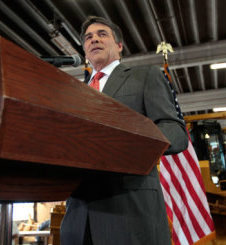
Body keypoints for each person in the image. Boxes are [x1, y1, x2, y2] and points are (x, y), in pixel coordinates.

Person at [59, 16, 189, 245]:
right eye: (88, 37)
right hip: (78, 217)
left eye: (102, 34)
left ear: (119, 46)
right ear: (84, 50)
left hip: (128, 211)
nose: (94, 40)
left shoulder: (145, 76)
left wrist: (125, 143)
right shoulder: (74, 93)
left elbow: (175, 133)